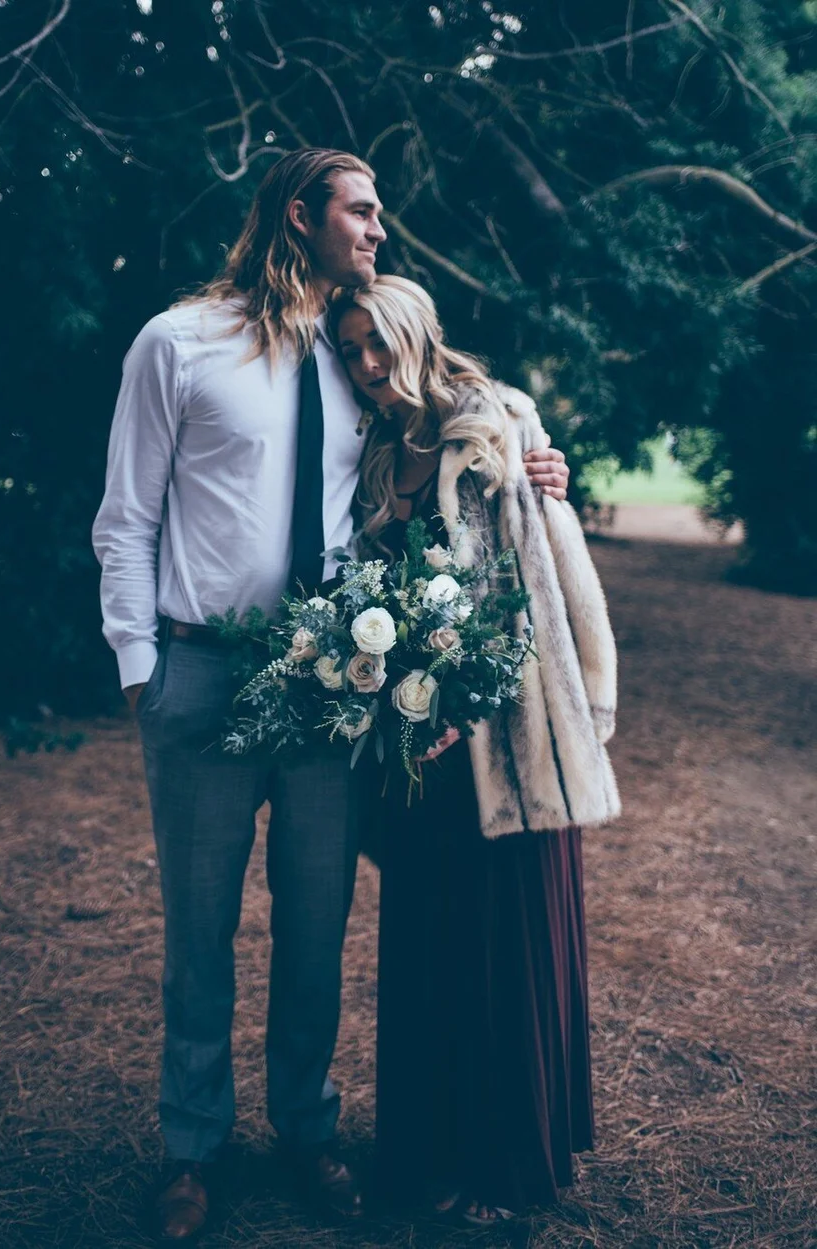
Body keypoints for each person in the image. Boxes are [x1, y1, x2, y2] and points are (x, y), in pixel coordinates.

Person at [92, 150, 570, 1241]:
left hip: (329, 684)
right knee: (198, 932)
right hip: (202, 671)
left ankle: (305, 1132)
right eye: (359, 209)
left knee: (317, 927)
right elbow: (126, 517)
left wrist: (541, 459)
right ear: (300, 214)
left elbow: (462, 418)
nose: (376, 228)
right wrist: (141, 672)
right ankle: (190, 1150)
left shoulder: (357, 353)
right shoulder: (179, 344)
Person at [331, 274, 619, 1226]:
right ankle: (426, 1156)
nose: (368, 366)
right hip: (416, 736)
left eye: (380, 343)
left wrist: (589, 690)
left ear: (415, 333)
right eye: (353, 351)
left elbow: (555, 562)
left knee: (503, 939)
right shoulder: (372, 450)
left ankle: (506, 1165)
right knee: (426, 943)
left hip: (509, 731)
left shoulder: (498, 419)